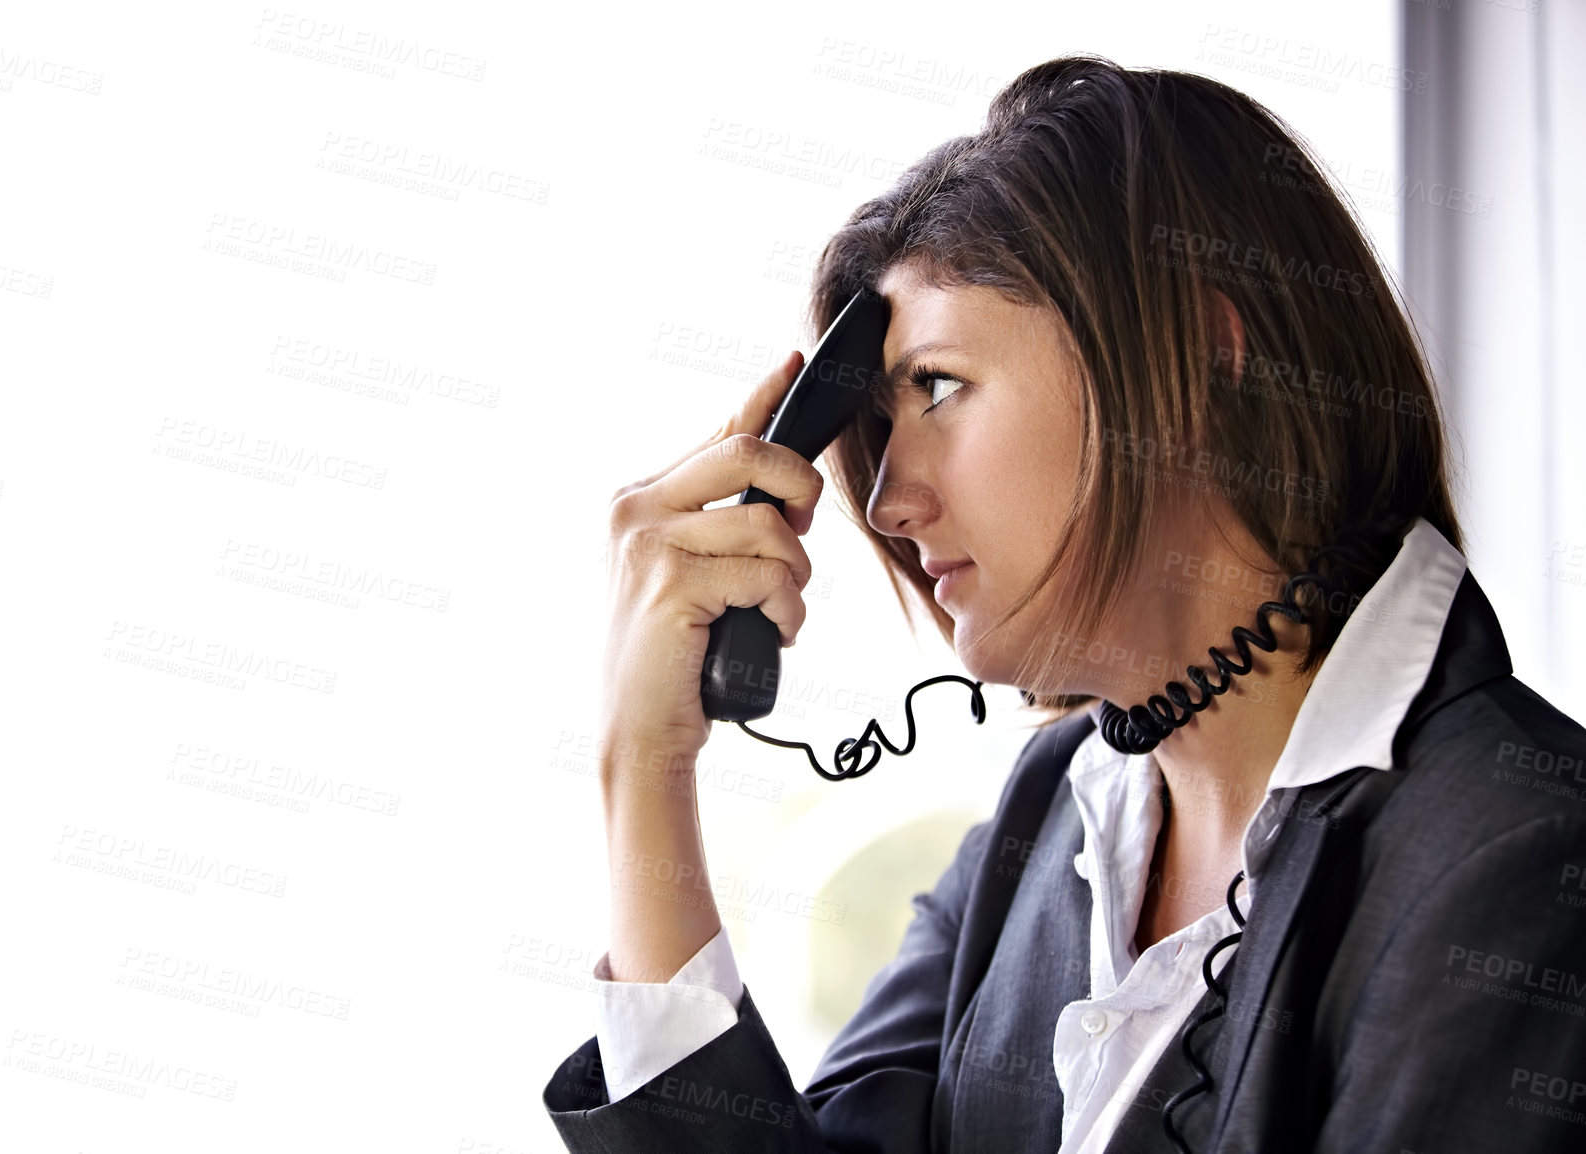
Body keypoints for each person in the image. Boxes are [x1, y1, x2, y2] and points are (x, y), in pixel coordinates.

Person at [542, 54, 1586, 1153]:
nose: (888, 502)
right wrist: (642, 765)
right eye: (878, 426)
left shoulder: (1519, 854)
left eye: (936, 387)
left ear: (1195, 354)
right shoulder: (1056, 810)